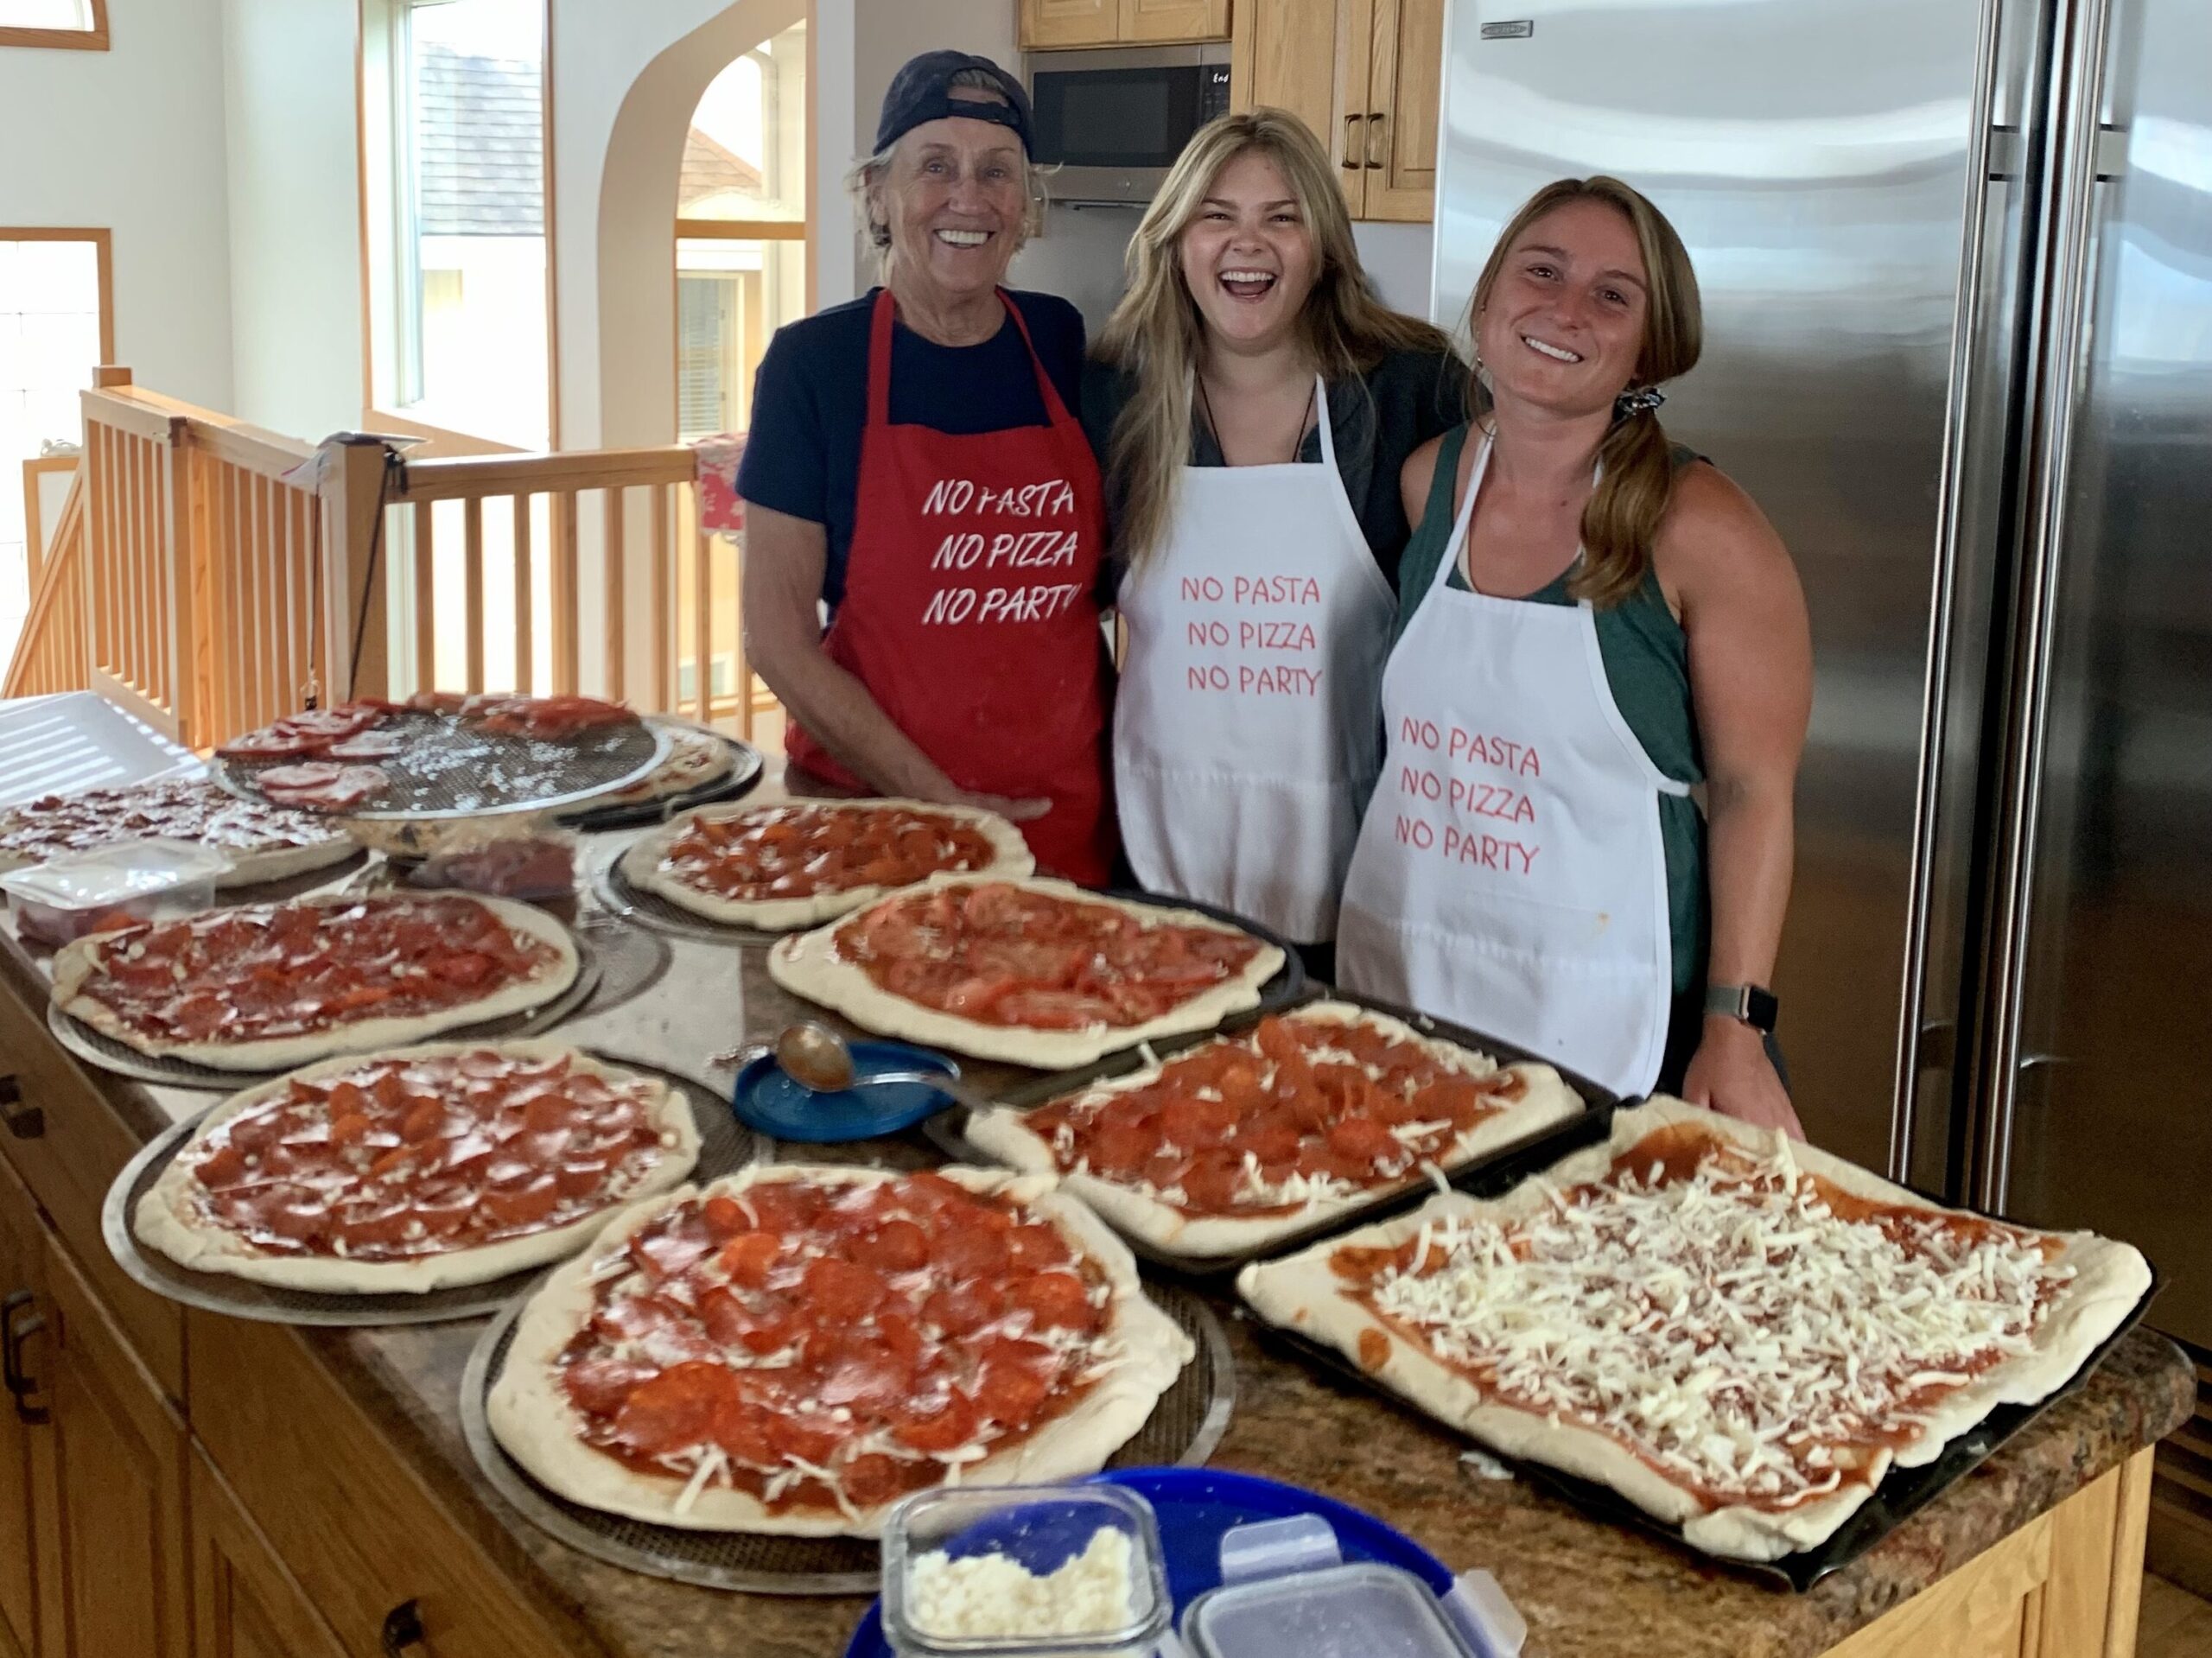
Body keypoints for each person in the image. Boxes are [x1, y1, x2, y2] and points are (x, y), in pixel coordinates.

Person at [1336, 176, 1812, 1136]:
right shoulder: (1433, 483)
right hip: (1420, 984)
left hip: (1625, 1020)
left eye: (1612, 295)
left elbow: (1754, 791)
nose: (1566, 310)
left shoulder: (1700, 527)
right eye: (1542, 271)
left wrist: (1736, 1027)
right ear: (1486, 301)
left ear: (1648, 346)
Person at [1086, 110, 1465, 975]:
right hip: (1154, 853)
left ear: (1323, 247)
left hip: (1355, 864)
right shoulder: (1114, 396)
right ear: (1176, 243)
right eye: (1216, 215)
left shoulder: (1411, 393)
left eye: (1281, 217)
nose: (1246, 243)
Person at [738, 50, 1114, 883]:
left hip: (1065, 824)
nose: (968, 198)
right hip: (877, 830)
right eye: (935, 166)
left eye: (997, 171)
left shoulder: (1060, 340)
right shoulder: (815, 365)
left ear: (1025, 203)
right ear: (878, 193)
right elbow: (776, 639)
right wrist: (939, 803)